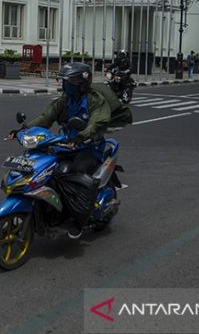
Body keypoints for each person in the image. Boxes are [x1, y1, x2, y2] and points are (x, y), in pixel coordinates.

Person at [10, 62, 132, 237]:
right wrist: (23, 129)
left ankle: (78, 218)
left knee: (76, 173)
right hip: (67, 146)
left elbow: (98, 121)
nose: (65, 85)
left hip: (90, 147)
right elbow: (46, 117)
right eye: (64, 81)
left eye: (69, 81)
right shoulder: (65, 100)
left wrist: (83, 135)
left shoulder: (95, 100)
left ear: (81, 83)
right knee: (48, 168)